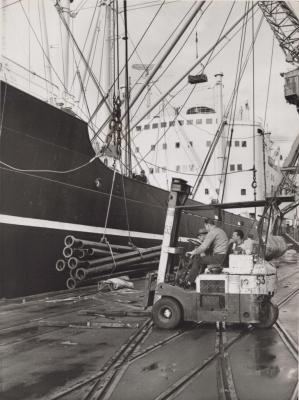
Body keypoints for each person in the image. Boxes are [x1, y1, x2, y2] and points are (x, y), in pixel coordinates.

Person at [185, 218, 228, 285]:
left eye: (205, 226)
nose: (206, 228)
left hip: (218, 257)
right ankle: (198, 280)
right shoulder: (220, 231)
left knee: (197, 260)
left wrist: (193, 252)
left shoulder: (212, 232)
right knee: (203, 259)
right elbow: (208, 247)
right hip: (222, 256)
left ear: (207, 225)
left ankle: (189, 282)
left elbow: (203, 247)